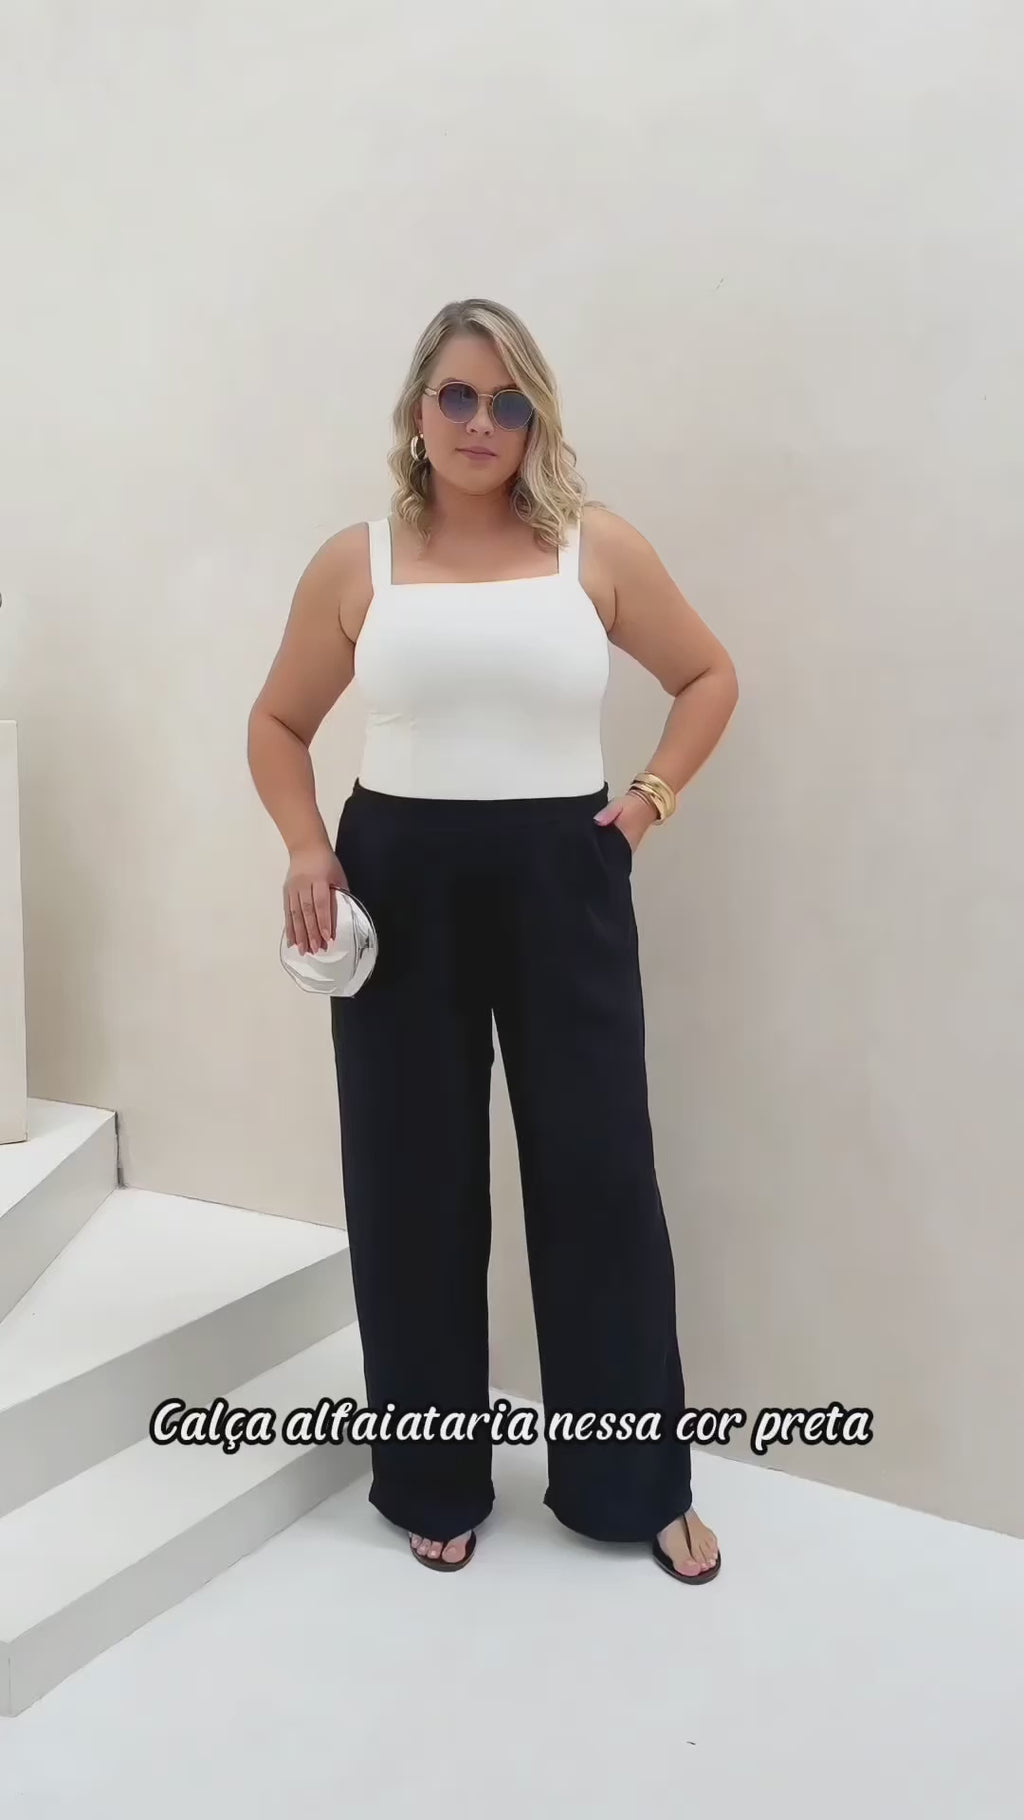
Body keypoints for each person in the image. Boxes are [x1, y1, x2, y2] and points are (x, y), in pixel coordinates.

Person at [247, 298, 738, 1581]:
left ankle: (635, 1482)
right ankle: (431, 1474)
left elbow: (708, 676)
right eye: (458, 396)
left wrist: (645, 806)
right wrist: (306, 845)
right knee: (410, 1184)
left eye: (507, 402)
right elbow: (278, 723)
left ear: (534, 421)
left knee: (600, 1178)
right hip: (398, 881)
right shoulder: (357, 563)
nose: (480, 422)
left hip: (564, 877)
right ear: (419, 409)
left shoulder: (596, 549)